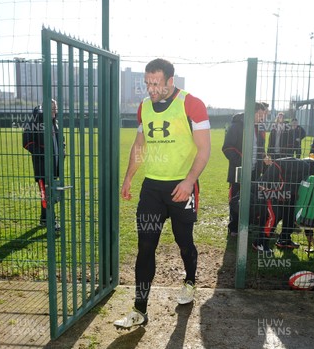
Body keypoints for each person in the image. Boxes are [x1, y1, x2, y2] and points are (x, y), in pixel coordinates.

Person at [115, 58, 211, 329]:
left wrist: (189, 181)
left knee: (184, 242)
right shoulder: (144, 108)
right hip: (152, 190)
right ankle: (139, 309)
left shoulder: (192, 104)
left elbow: (204, 150)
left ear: (171, 80)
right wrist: (128, 178)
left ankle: (190, 281)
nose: (151, 89)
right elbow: (139, 145)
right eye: (148, 83)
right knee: (145, 247)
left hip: (182, 186)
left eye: (156, 83)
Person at [250, 157, 314, 251]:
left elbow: (305, 208)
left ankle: (284, 240)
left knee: (291, 213)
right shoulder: (307, 169)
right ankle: (260, 243)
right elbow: (280, 166)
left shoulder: (310, 173)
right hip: (270, 186)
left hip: (284, 192)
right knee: (274, 216)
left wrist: (309, 234)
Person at [222, 102, 269, 237]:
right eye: (260, 114)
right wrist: (243, 162)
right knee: (236, 200)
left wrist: (264, 157)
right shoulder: (237, 126)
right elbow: (227, 148)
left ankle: (246, 225)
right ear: (251, 113)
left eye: (263, 114)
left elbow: (260, 149)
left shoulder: (260, 128)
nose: (262, 117)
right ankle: (234, 228)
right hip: (239, 172)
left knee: (250, 199)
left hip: (255, 172)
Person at [22, 99, 63, 228]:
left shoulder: (54, 122)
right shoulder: (36, 121)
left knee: (50, 193)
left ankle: (44, 220)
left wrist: (62, 149)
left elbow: (60, 140)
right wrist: (42, 153)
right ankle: (51, 221)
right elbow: (26, 141)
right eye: (52, 108)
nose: (55, 110)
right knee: (46, 194)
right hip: (42, 166)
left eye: (55, 107)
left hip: (55, 165)